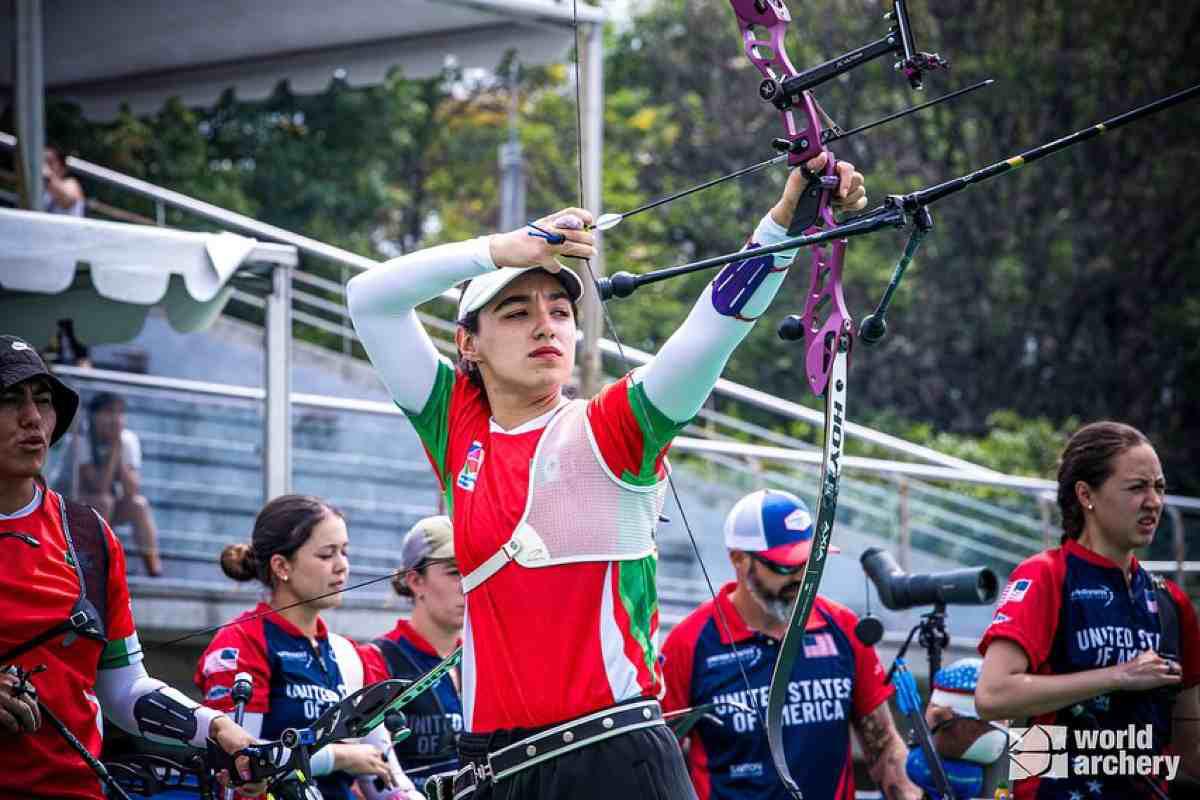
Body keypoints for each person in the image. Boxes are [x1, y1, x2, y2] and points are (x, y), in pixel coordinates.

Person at [347, 152, 866, 799]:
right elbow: (366, 299)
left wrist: (785, 226)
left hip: (611, 758)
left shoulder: (612, 428)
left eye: (560, 311)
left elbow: (713, 331)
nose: (545, 323)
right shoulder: (459, 429)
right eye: (515, 311)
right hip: (495, 769)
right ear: (468, 344)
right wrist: (501, 248)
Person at [0, 334, 260, 798]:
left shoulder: (89, 534)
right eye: (9, 399)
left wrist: (217, 727)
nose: (32, 417)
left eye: (42, 400)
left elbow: (123, 687)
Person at [976, 421, 1200, 798]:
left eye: (1159, 487)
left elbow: (1190, 749)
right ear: (1086, 495)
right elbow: (993, 696)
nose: (1154, 501)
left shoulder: (1171, 601)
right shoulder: (1047, 575)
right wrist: (1117, 676)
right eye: (1137, 487)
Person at [660, 489, 920, 800]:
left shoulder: (843, 627)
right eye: (785, 566)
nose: (802, 577)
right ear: (739, 560)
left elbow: (885, 746)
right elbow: (659, 759)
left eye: (809, 562)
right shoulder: (690, 642)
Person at [197, 493, 423, 800]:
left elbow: (385, 775)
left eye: (344, 551)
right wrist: (339, 757)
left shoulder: (349, 654)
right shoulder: (241, 641)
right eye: (327, 554)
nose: (342, 566)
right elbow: (241, 763)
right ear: (281, 566)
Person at [365, 515, 465, 782]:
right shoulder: (377, 658)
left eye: (474, 570)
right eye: (455, 572)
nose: (469, 584)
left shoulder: (482, 658)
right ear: (415, 581)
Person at [77, 391, 163, 576]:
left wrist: (118, 447)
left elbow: (131, 490)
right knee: (103, 501)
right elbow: (97, 485)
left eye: (119, 412)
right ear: (94, 416)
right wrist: (114, 451)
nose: (114, 419)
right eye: (108, 412)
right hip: (74, 503)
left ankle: (154, 571)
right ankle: (97, 567)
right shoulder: (82, 439)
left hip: (106, 505)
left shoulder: (127, 439)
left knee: (138, 505)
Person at [43, 145, 86, 217]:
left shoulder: (71, 184)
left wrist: (48, 176)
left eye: (50, 162)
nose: (45, 166)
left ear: (63, 168)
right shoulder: (44, 191)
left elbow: (67, 198)